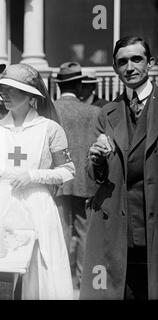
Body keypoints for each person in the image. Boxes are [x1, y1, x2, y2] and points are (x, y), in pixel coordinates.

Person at [0, 63, 75, 299]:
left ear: (31, 96)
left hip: (37, 206)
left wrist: (34, 175)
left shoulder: (50, 129)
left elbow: (67, 170)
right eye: (4, 89)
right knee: (4, 269)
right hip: (3, 204)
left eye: (13, 89)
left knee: (41, 269)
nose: (5, 95)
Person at [81, 36, 158, 300]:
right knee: (119, 291)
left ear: (150, 63)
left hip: (153, 221)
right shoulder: (107, 113)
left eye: (136, 59)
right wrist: (96, 160)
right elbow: (96, 178)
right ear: (115, 68)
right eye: (122, 61)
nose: (129, 67)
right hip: (118, 225)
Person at [53, 62, 101, 289]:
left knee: (61, 230)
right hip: (84, 181)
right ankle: (83, 282)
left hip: (58, 181)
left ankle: (61, 279)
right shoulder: (94, 112)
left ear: (58, 85)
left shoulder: (50, 110)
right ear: (81, 86)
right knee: (85, 233)